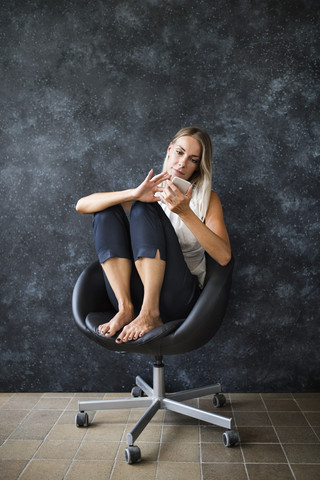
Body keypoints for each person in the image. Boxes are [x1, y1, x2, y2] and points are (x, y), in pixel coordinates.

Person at [76, 126, 231, 343]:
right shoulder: (150, 191)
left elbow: (224, 257)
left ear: (198, 166)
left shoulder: (207, 198)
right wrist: (134, 193)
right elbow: (82, 205)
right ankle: (126, 308)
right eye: (179, 152)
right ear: (169, 150)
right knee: (107, 210)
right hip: (134, 295)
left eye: (193, 159)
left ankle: (151, 312)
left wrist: (185, 213)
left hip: (177, 297)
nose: (182, 163)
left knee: (143, 207)